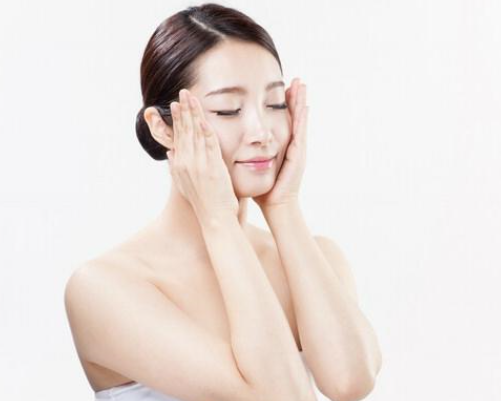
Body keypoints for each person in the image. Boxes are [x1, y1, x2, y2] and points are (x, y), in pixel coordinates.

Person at [64, 3, 382, 401]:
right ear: (162, 127)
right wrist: (217, 218)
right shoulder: (104, 288)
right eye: (228, 109)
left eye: (275, 104)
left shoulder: (317, 257)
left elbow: (351, 382)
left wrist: (283, 207)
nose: (261, 132)